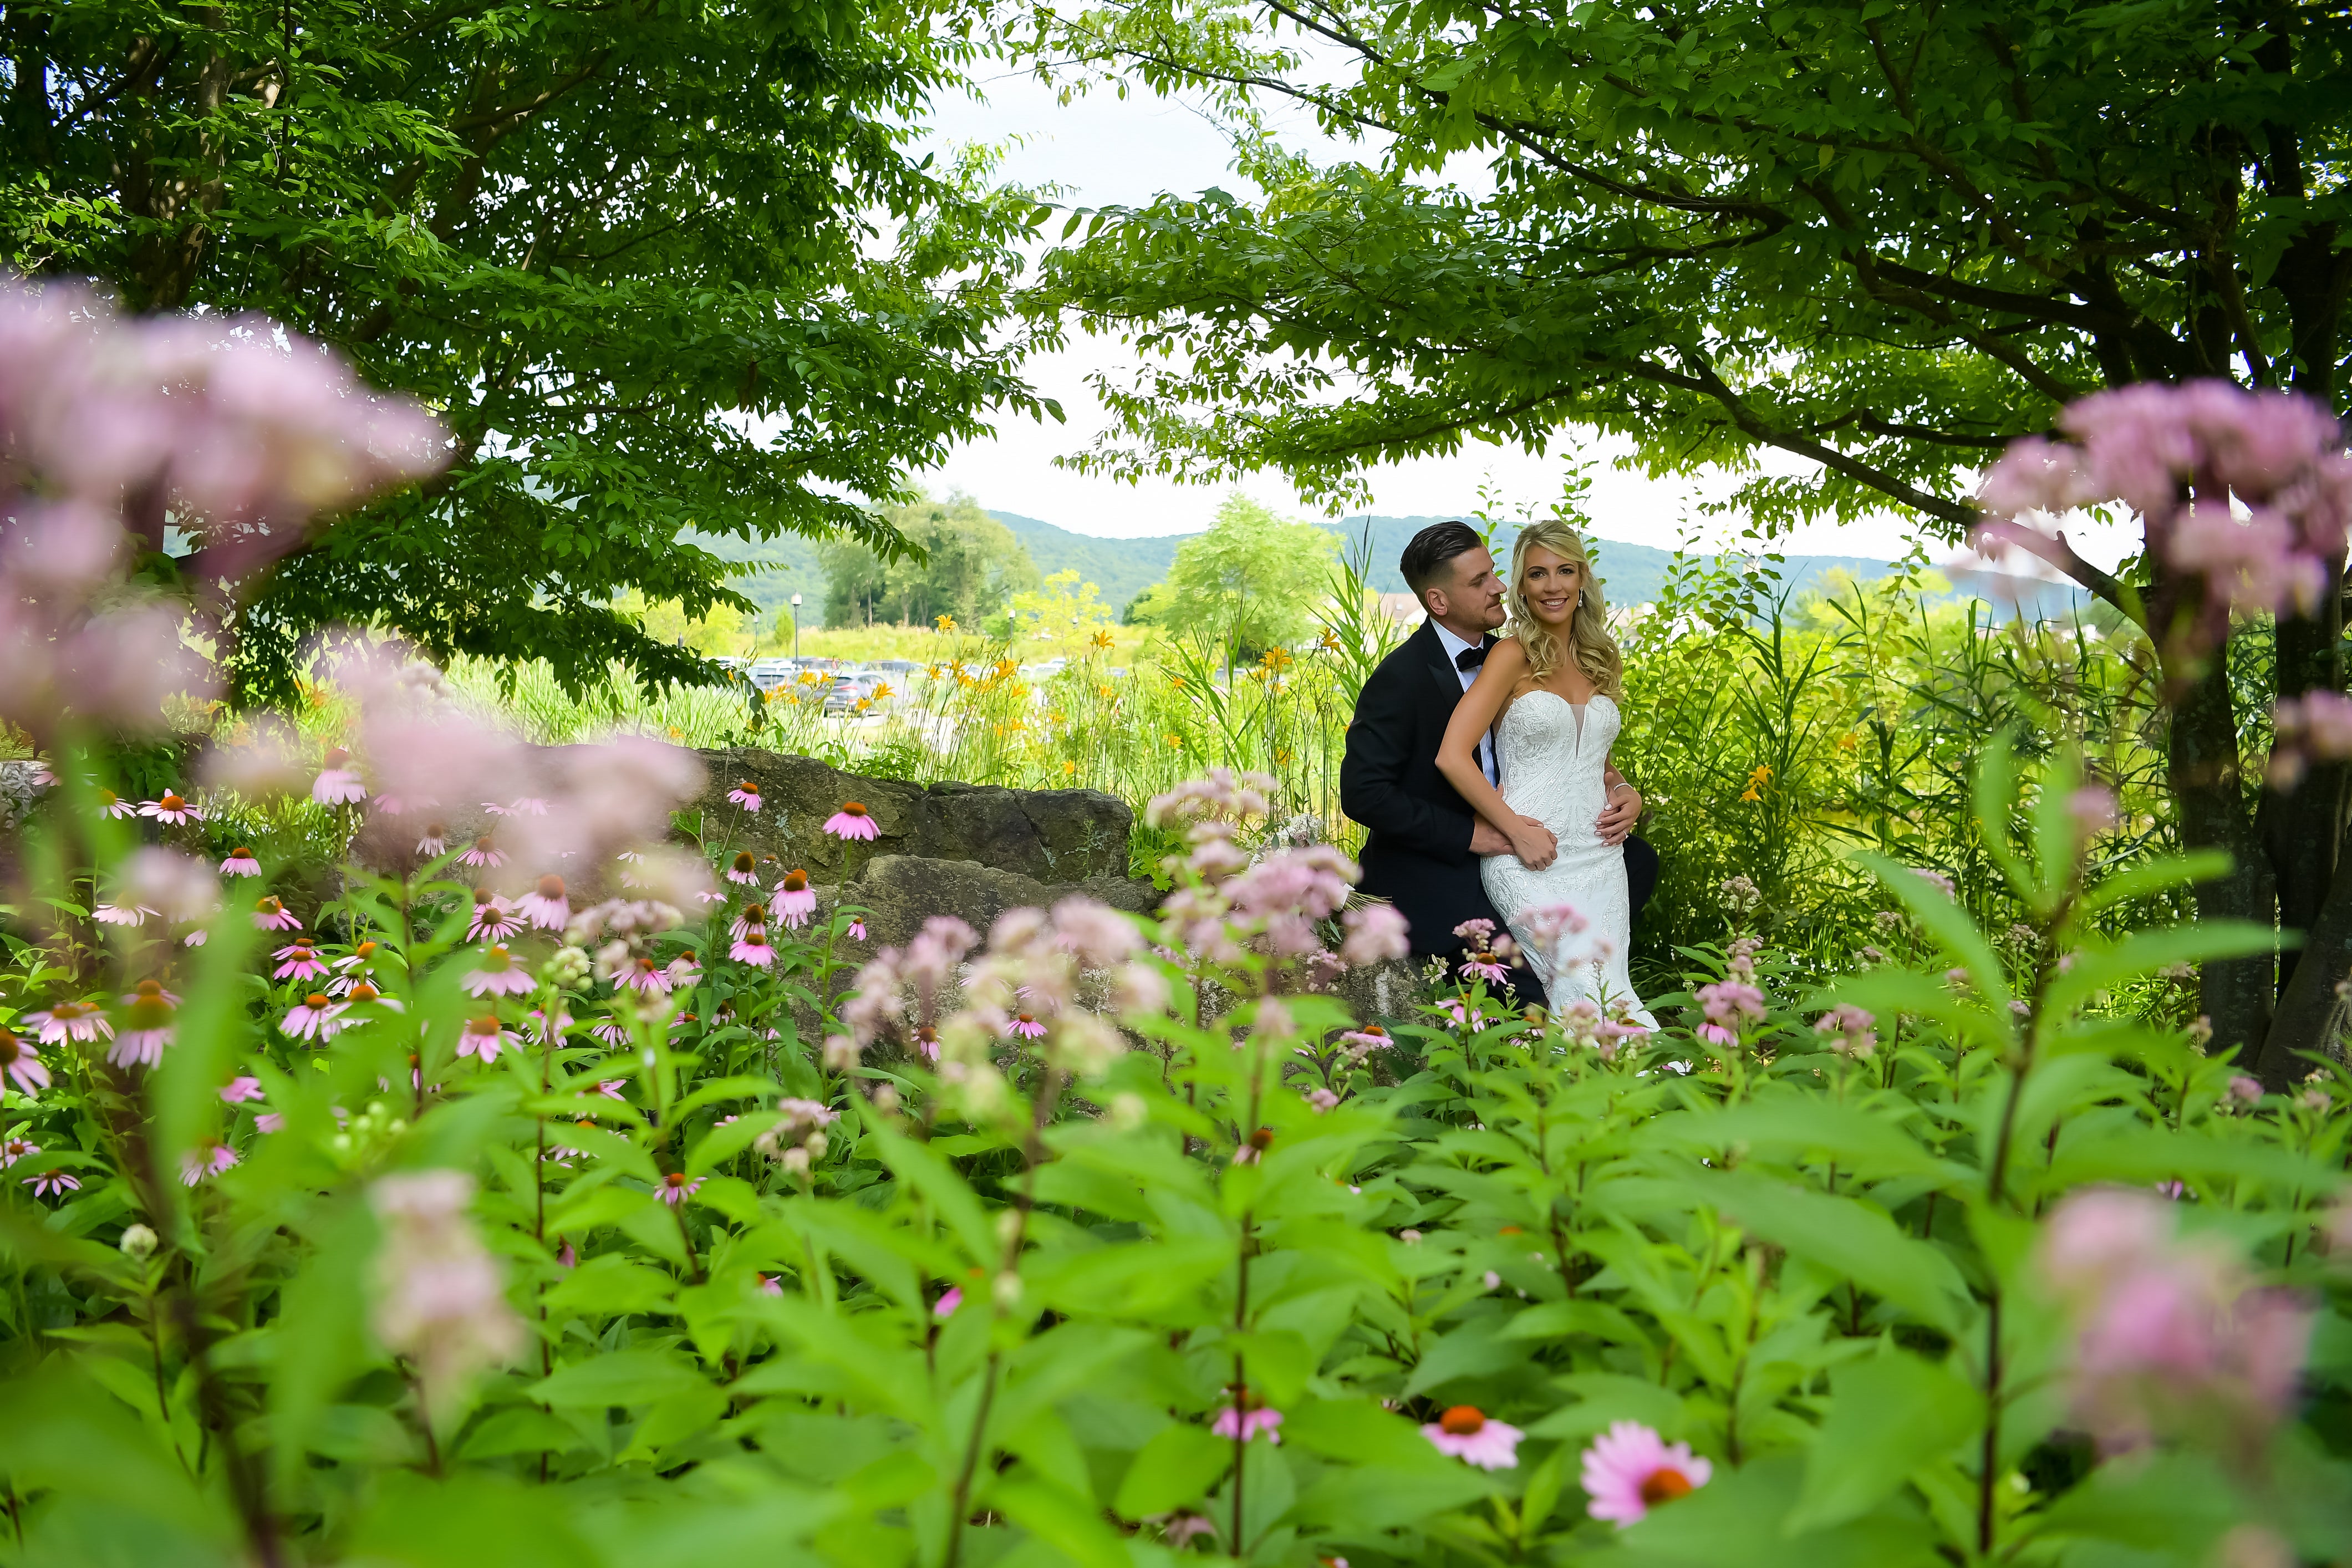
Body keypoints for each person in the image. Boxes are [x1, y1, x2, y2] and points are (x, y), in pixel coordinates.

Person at [1341, 520, 1657, 1006]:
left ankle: (1594, 970)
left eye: (1494, 573)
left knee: (1637, 861)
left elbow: (1581, 753)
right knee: (1537, 981)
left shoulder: (1522, 655)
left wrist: (1623, 789)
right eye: (1480, 582)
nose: (1499, 589)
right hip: (1442, 862)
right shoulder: (1400, 678)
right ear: (1438, 601)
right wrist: (1474, 834)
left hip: (1542, 838)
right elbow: (1364, 793)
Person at [1432, 518, 1657, 1027]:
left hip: (1601, 860)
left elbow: (1588, 755)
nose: (1552, 586)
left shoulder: (1602, 657)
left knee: (1611, 988)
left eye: (1564, 571)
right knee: (1581, 992)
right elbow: (1452, 755)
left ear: (1582, 579)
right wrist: (1512, 830)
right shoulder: (1512, 655)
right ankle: (1654, 1092)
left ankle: (1579, 1100)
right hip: (1531, 856)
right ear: (1521, 585)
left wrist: (1624, 789)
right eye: (1537, 574)